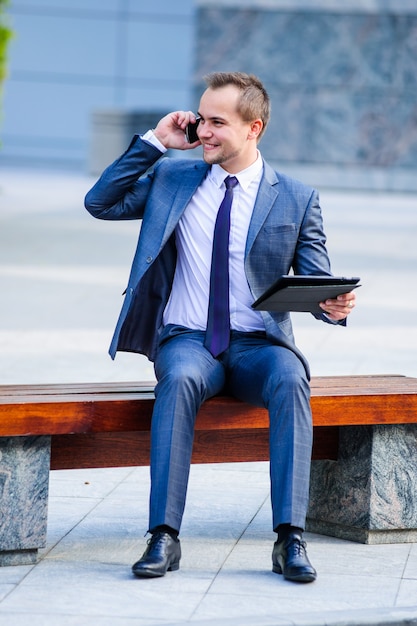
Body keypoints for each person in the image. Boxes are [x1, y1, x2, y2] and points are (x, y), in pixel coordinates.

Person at [85, 71, 356, 584]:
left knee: (291, 378)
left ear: (254, 128)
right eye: (201, 118)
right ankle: (164, 535)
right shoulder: (174, 178)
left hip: (259, 344)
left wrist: (332, 305)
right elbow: (101, 202)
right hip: (188, 340)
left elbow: (318, 282)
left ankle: (289, 538)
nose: (203, 131)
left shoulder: (296, 197)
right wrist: (155, 143)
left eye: (216, 122)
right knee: (182, 380)